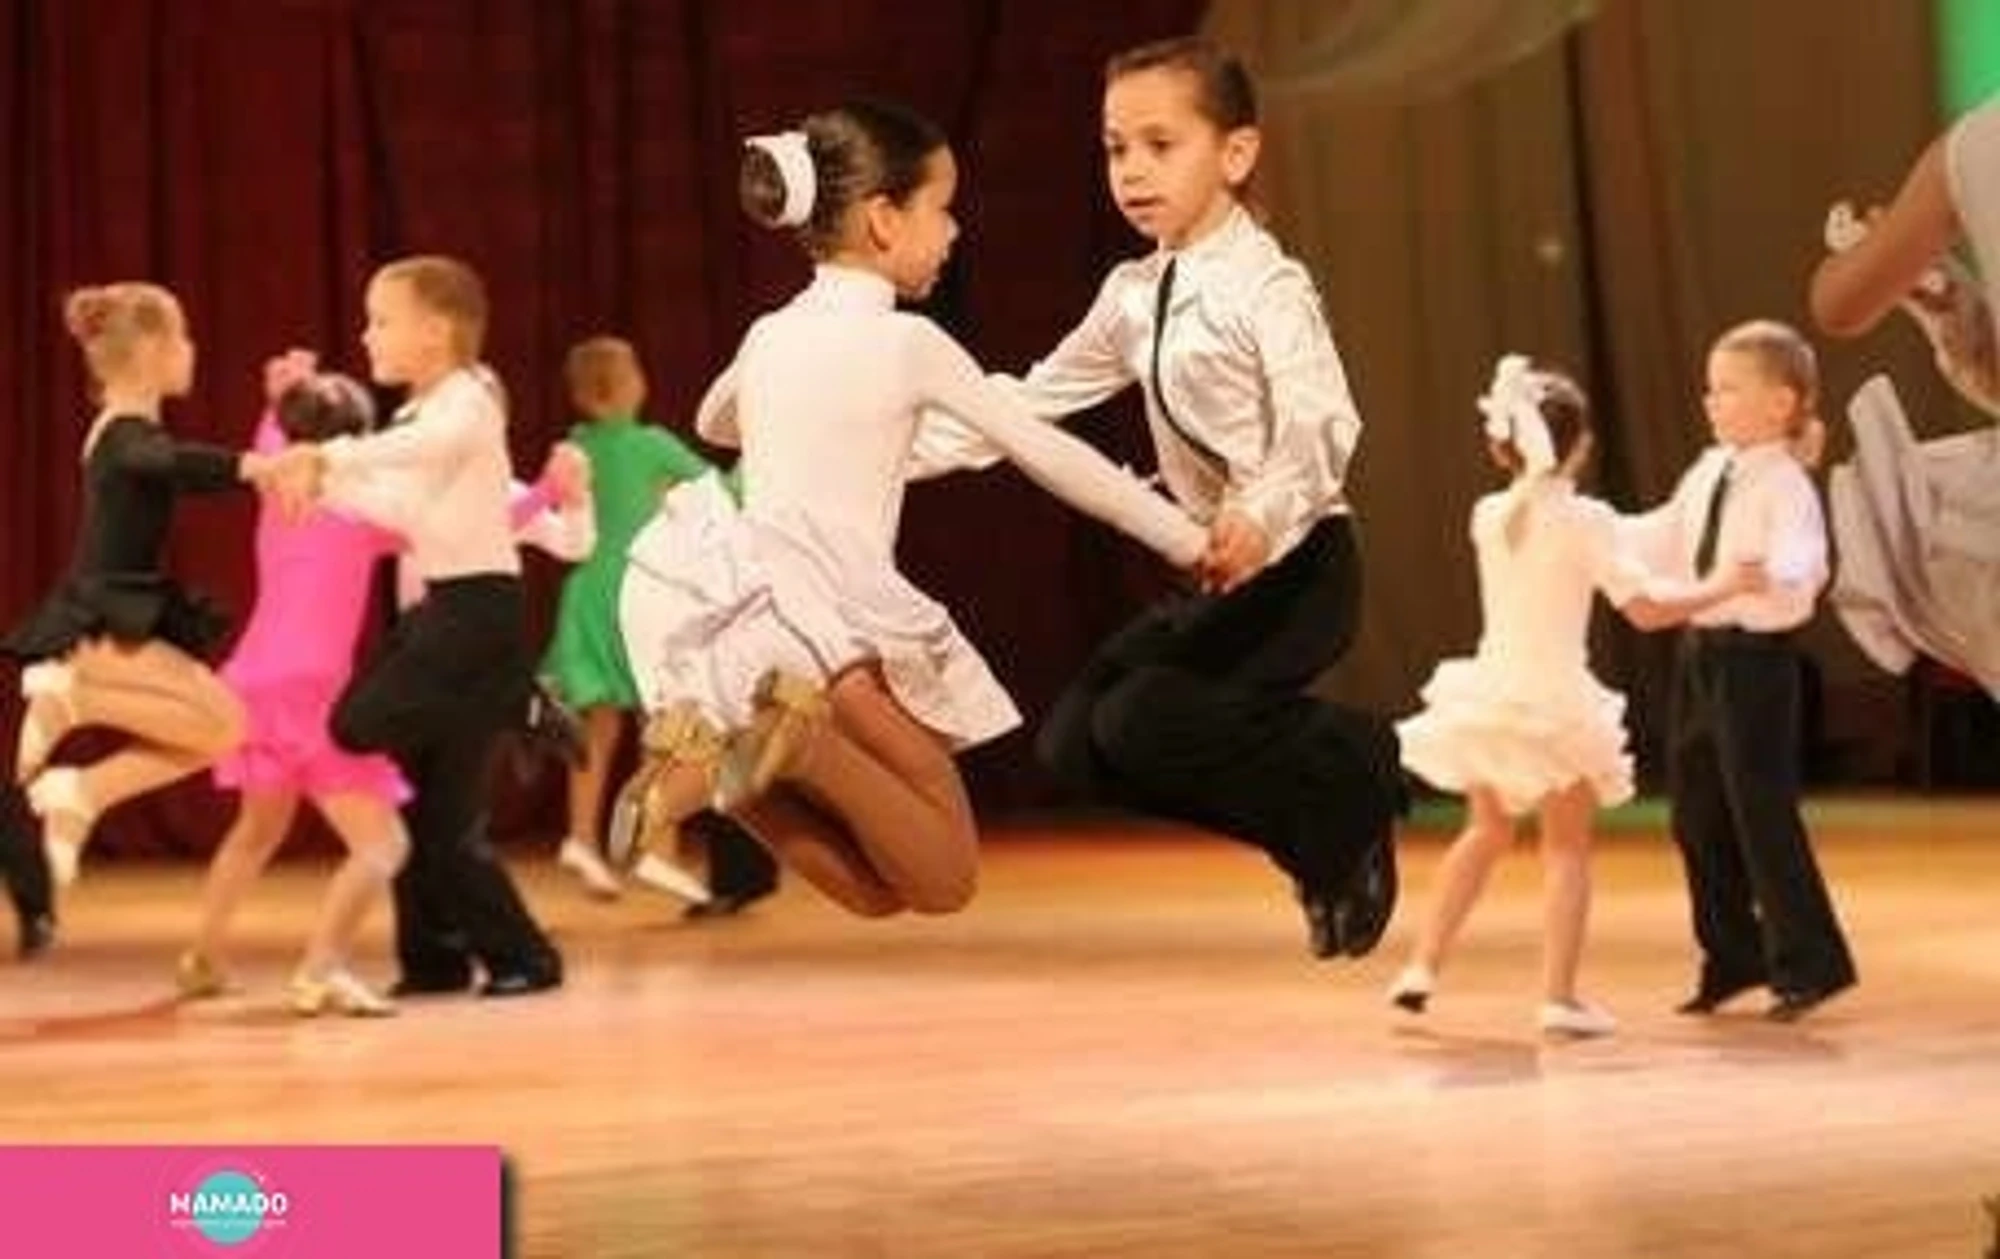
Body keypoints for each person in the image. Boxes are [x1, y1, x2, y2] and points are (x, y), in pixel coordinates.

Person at [617, 99, 1209, 917]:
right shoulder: (910, 344)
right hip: (830, 626)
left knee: (878, 894)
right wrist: (1184, 538)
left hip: (745, 607)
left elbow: (714, 420)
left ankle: (719, 767)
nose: (954, 229)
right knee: (944, 876)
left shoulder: (769, 334)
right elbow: (1048, 452)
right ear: (883, 219)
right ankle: (795, 745)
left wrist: (846, 425)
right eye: (941, 207)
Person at [999, 36, 1399, 957]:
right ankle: (1320, 834)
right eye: (1115, 148)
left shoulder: (1269, 285)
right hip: (1218, 574)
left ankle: (1356, 764)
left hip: (1301, 567)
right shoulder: (1132, 293)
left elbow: (1322, 421)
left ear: (1236, 153)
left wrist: (1260, 514)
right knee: (1077, 745)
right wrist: (889, 436)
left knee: (1142, 720)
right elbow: (1026, 405)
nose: (1132, 170)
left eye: (1159, 144)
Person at [1387, 357, 1761, 1037]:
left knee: (1485, 832)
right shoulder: (1585, 520)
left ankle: (1420, 967)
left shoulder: (1490, 513)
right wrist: (1725, 586)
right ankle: (1557, 997)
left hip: (1494, 691)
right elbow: (1645, 608)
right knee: (1565, 849)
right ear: (1581, 444)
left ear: (1503, 443)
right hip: (1556, 700)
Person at [268, 257, 564, 998]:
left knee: (356, 726)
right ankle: (437, 960)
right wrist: (324, 484)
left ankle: (517, 700)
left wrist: (328, 455)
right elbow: (403, 511)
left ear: (435, 332)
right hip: (446, 614)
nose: (366, 335)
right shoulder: (415, 417)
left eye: (381, 320)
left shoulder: (470, 400)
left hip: (478, 615)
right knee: (419, 809)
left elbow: (426, 449)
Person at [1620, 320, 1857, 1022]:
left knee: (1762, 814)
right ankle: (1733, 955)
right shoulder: (1709, 470)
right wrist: (1587, 528)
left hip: (1756, 664)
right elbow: (1663, 531)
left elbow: (1807, 560)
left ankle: (1810, 962)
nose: (1711, 400)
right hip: (1701, 655)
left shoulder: (1786, 484)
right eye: (1710, 388)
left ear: (1781, 403)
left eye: (1728, 388)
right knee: (1695, 813)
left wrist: (1770, 572)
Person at [4, 283, 275, 887]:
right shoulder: (124, 431)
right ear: (153, 348)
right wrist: (252, 466)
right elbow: (157, 460)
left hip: (114, 614)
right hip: (102, 620)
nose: (192, 349)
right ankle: (75, 701)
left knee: (219, 733)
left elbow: (166, 463)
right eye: (183, 337)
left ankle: (85, 791)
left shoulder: (131, 428)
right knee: (229, 725)